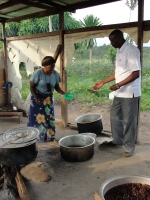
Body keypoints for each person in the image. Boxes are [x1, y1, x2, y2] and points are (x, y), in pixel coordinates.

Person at [93, 29, 141, 157]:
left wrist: (118, 84)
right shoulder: (120, 51)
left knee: (129, 120)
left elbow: (136, 73)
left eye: (112, 40)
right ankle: (118, 140)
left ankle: (129, 147)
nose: (111, 43)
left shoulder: (131, 50)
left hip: (130, 93)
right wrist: (103, 82)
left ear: (119, 39)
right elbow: (118, 73)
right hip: (119, 93)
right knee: (114, 117)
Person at [27, 56, 65, 142]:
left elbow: (56, 86)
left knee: (49, 117)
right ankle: (34, 137)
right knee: (36, 118)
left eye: (54, 66)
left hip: (48, 98)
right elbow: (32, 87)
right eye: (51, 66)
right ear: (45, 66)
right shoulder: (37, 73)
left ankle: (50, 136)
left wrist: (63, 93)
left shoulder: (55, 74)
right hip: (37, 97)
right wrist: (36, 97)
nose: (53, 68)